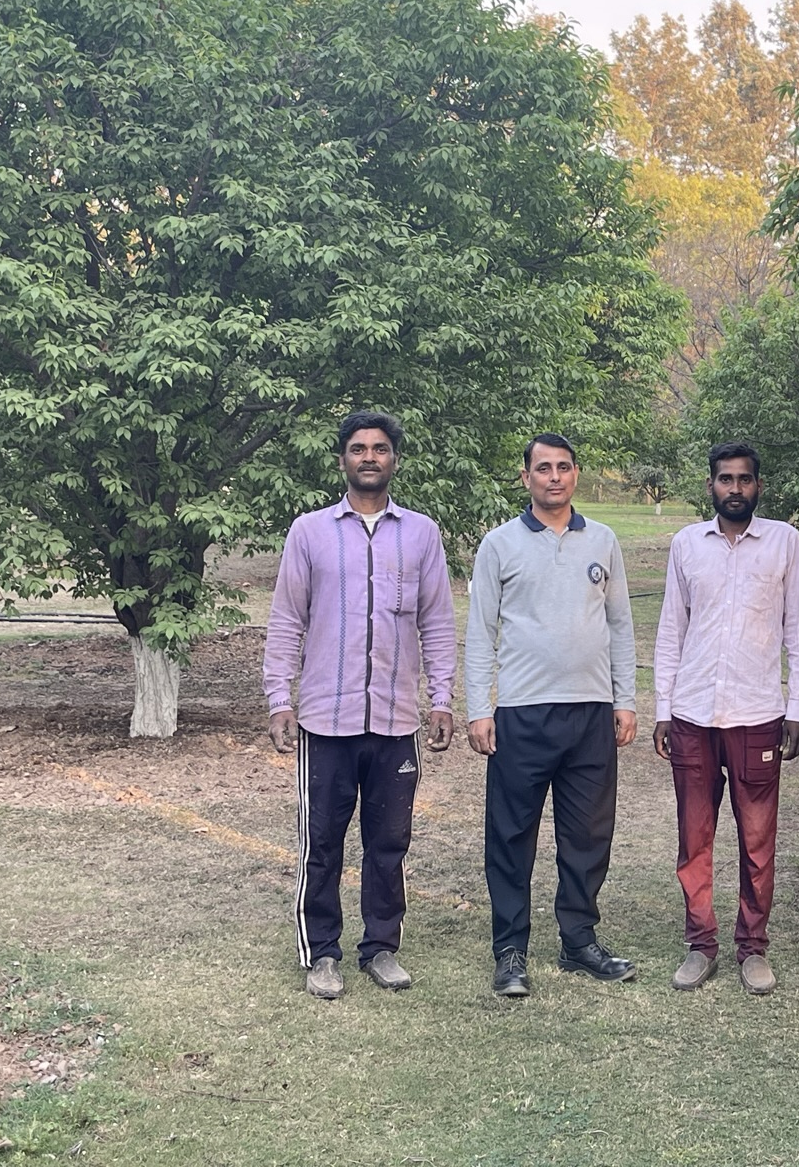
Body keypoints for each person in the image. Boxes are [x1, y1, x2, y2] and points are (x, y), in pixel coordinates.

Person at [263, 410, 458, 1000]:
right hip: (326, 721)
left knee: (388, 842)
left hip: (396, 722)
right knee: (321, 843)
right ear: (343, 459)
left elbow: (438, 624)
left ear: (394, 459)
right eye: (357, 448)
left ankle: (381, 948)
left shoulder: (421, 533)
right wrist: (280, 699)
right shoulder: (310, 532)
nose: (368, 457)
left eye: (379, 449)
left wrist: (442, 699)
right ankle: (321, 953)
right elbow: (286, 622)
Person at [466, 433, 638, 997]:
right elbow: (480, 631)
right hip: (521, 712)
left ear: (576, 475)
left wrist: (624, 699)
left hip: (589, 713)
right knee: (511, 835)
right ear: (526, 478)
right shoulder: (499, 544)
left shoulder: (604, 540)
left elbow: (619, 626)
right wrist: (478, 707)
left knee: (587, 835)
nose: (554, 477)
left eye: (564, 467)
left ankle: (578, 941)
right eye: (543, 468)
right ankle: (510, 949)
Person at [652, 442, 799, 996]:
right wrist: (663, 709)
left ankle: (753, 947)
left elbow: (796, 630)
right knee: (694, 838)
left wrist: (798, 710)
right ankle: (701, 944)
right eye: (725, 479)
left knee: (757, 839)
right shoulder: (687, 545)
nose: (735, 488)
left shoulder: (784, 542)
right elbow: (671, 629)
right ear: (711, 485)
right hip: (693, 713)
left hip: (758, 714)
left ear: (758, 487)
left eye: (745, 479)